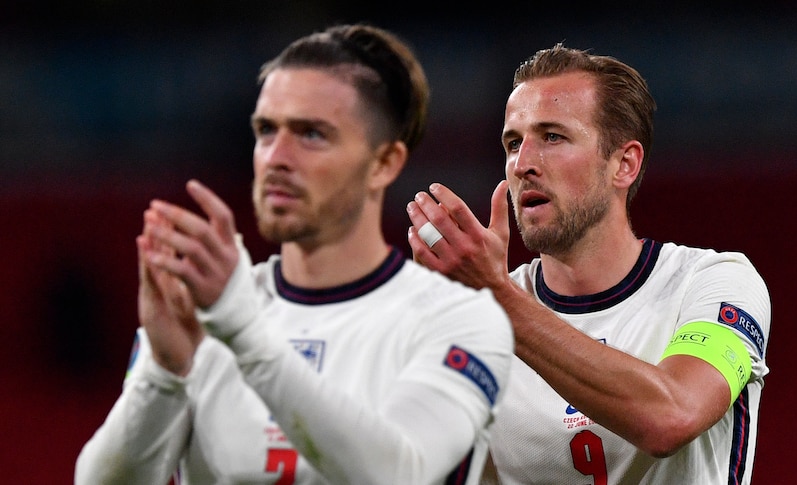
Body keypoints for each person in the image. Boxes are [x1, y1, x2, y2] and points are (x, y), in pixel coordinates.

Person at [75, 23, 514, 485]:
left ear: (384, 164)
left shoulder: (458, 320)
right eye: (266, 131)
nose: (277, 157)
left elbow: (399, 472)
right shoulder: (202, 318)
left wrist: (244, 334)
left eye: (311, 134)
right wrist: (165, 372)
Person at [406, 44, 770, 484]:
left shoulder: (712, 282)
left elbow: (672, 416)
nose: (522, 165)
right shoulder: (475, 311)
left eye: (552, 137)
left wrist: (496, 301)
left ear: (624, 164)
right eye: (513, 143)